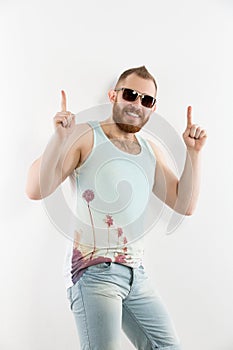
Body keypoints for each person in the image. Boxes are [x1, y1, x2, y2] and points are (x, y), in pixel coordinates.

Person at [26, 66, 207, 350]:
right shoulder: (86, 136)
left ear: (153, 108)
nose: (137, 104)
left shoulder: (150, 151)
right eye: (130, 95)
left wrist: (193, 154)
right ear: (113, 96)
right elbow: (36, 190)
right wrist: (58, 141)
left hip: (136, 273)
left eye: (146, 100)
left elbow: (185, 204)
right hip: (94, 272)